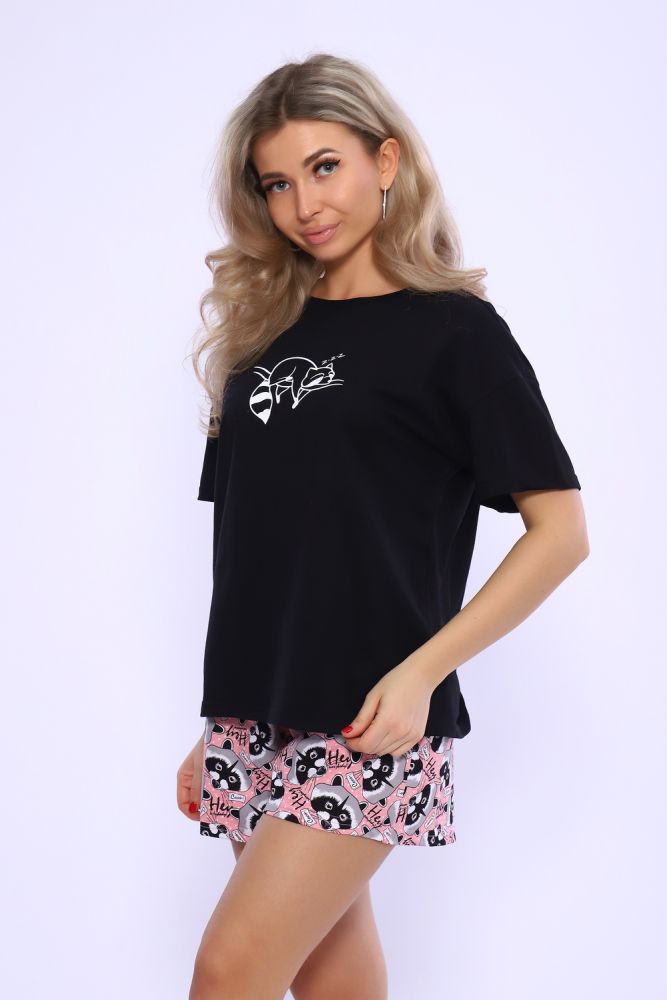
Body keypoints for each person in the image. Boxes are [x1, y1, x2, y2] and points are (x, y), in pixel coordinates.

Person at [177, 52, 590, 1000]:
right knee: (334, 987)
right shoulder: (261, 341)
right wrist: (222, 720)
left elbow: (561, 532)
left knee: (228, 974)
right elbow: (260, 550)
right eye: (277, 183)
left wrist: (422, 672)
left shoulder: (455, 334)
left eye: (325, 166)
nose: (304, 203)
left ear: (386, 160)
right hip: (256, 713)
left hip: (371, 717)